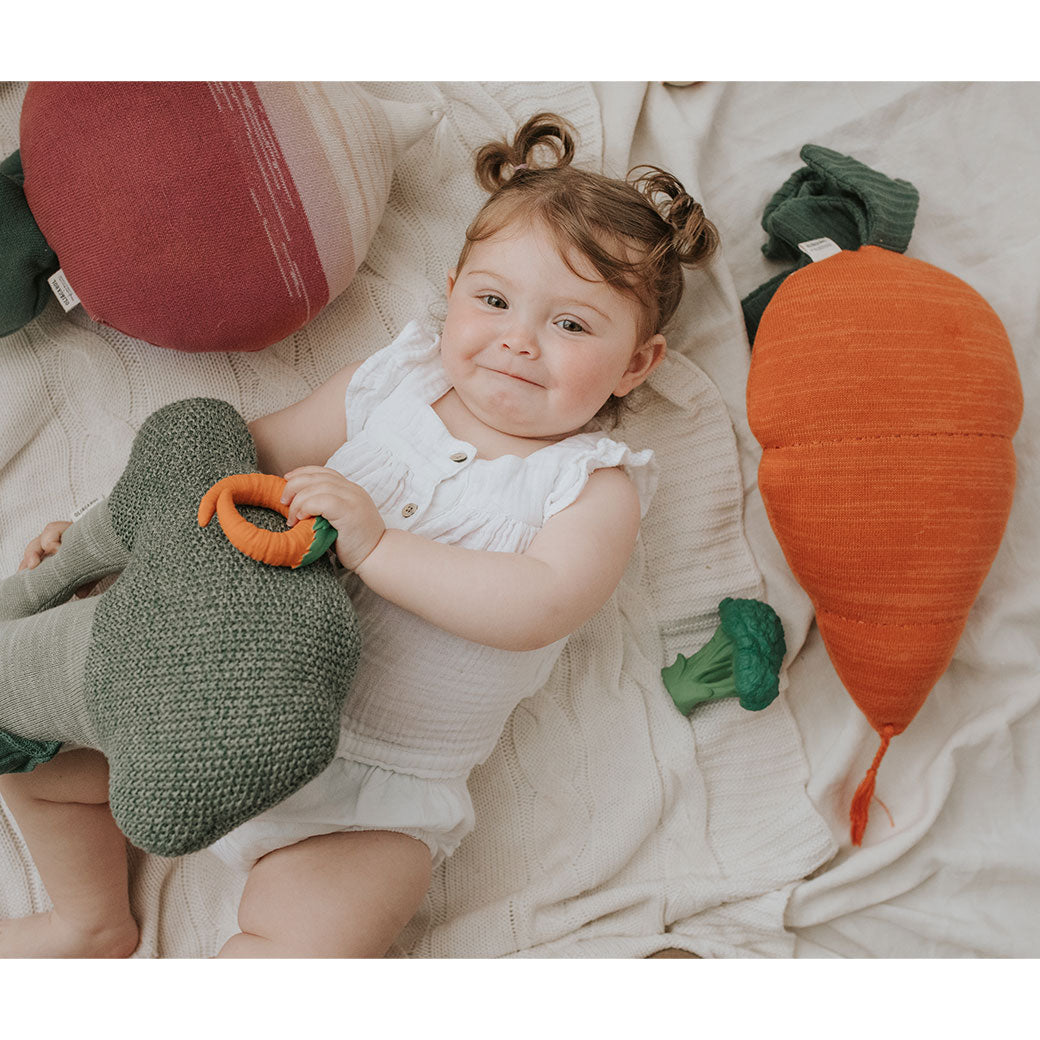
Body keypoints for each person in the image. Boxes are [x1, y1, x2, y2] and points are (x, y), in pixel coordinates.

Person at [0, 112, 718, 958]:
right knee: (35, 759)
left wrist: (378, 549)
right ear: (450, 294)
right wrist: (99, 536)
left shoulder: (590, 484)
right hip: (211, 698)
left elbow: (538, 604)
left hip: (374, 791)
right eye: (494, 301)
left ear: (636, 363)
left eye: (572, 326)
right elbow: (236, 459)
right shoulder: (392, 383)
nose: (520, 340)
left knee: (303, 955)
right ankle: (88, 920)